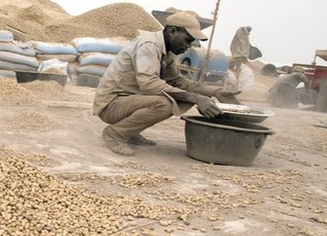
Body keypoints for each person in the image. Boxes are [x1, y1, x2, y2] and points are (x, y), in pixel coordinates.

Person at [93, 12, 241, 156]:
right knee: (164, 104)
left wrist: (214, 93)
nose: (189, 46)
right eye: (187, 40)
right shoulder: (149, 44)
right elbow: (148, 83)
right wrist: (195, 98)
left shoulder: (167, 52)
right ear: (172, 31)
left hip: (126, 101)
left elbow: (176, 80)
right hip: (110, 105)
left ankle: (129, 130)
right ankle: (115, 134)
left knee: (174, 97)